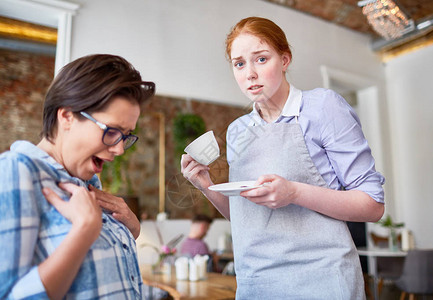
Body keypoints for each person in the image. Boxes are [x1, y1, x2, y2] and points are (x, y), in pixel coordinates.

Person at [181, 17, 385, 299]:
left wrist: (293, 192)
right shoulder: (238, 130)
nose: (250, 73)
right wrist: (205, 183)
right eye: (239, 63)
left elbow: (372, 205)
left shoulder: (322, 107)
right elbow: (245, 217)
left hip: (321, 281)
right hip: (256, 284)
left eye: (261, 59)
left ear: (285, 59)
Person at [0, 54, 155, 299]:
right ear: (67, 116)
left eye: (125, 136)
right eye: (112, 131)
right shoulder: (16, 171)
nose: (119, 149)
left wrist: (131, 230)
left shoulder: (87, 181)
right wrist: (84, 231)